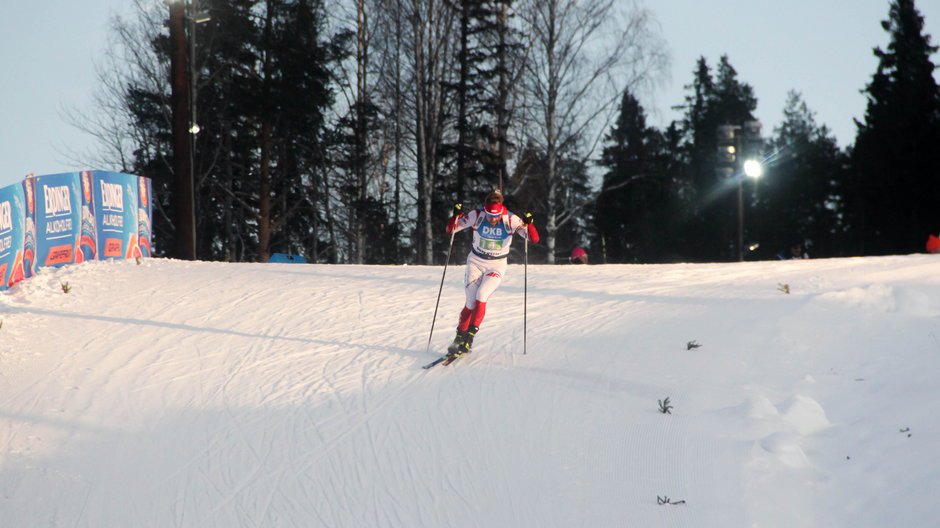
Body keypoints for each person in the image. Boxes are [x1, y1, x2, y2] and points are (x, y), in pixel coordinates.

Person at [444, 189, 539, 357]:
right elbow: (451, 230)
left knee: (482, 295)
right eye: (489, 215)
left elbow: (534, 239)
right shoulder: (477, 215)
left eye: (494, 216)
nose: (492, 219)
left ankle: (469, 338)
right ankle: (459, 337)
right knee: (471, 302)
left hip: (496, 265)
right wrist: (455, 216)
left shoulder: (510, 219)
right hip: (475, 262)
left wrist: (529, 223)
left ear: (501, 210)